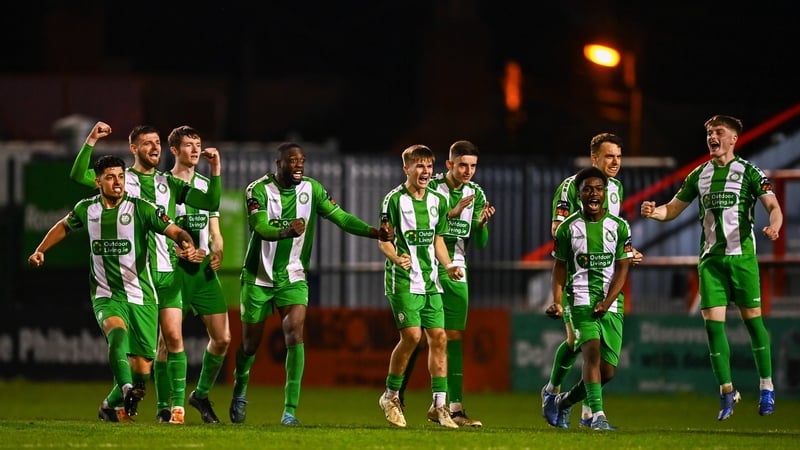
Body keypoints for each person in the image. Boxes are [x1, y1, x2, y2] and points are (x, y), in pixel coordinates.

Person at [231, 142, 394, 426]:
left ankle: (290, 411)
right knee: (249, 344)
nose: (299, 165)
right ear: (278, 163)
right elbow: (259, 227)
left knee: (294, 332)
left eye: (302, 160)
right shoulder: (257, 190)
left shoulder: (312, 189)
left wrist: (374, 232)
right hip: (258, 277)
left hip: (294, 276)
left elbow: (341, 218)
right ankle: (240, 388)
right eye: (292, 160)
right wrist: (285, 231)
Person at [70, 121, 221, 424]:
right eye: (148, 143)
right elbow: (77, 176)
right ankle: (127, 403)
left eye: (157, 143)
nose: (155, 148)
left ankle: (174, 410)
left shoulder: (168, 183)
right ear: (133, 148)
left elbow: (209, 202)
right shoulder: (122, 181)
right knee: (144, 362)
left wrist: (215, 170)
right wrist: (90, 140)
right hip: (138, 279)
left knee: (174, 339)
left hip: (167, 272)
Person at [28, 155, 197, 423]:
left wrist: (187, 243)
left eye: (120, 176)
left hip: (142, 296)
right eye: (110, 177)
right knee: (117, 334)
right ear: (98, 182)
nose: (117, 182)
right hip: (105, 294)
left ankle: (111, 404)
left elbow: (175, 230)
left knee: (142, 371)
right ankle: (128, 388)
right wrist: (40, 250)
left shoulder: (142, 208)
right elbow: (63, 226)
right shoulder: (87, 209)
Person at [640, 114, 782, 420]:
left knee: (753, 324)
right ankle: (727, 392)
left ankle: (767, 387)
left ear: (733, 139)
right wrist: (654, 212)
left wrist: (774, 226)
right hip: (711, 262)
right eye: (708, 133)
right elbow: (673, 209)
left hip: (742, 259)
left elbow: (773, 205)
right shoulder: (698, 175)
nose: (712, 137)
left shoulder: (749, 172)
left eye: (718, 132)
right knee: (712, 326)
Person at [542, 132, 642, 427]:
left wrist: (625, 252)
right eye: (609, 156)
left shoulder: (616, 188)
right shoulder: (571, 187)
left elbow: (613, 232)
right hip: (578, 281)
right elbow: (557, 230)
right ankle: (578, 405)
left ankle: (565, 401)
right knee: (581, 344)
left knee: (596, 358)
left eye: (619, 157)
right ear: (594, 157)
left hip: (606, 284)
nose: (615, 162)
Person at [396, 140, 495, 427]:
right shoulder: (432, 186)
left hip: (456, 267)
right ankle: (397, 395)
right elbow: (422, 224)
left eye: (473, 166)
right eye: (462, 164)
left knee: (451, 337)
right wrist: (451, 213)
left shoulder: (476, 193)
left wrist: (481, 224)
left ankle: (453, 408)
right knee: (415, 338)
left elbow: (480, 243)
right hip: (427, 265)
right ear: (449, 164)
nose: (468, 171)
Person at [377, 144, 465, 429]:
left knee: (439, 338)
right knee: (413, 338)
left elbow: (437, 239)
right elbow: (383, 239)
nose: (425, 171)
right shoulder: (393, 200)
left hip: (430, 282)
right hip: (402, 281)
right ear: (407, 169)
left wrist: (449, 264)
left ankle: (440, 407)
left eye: (429, 166)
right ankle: (390, 396)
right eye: (419, 166)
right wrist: (395, 256)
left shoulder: (438, 201)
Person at [167, 125, 231, 424]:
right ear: (174, 150)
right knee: (167, 343)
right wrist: (176, 249)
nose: (195, 149)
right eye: (188, 145)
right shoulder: (162, 185)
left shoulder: (207, 186)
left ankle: (201, 394)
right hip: (173, 269)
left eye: (198, 143)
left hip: (203, 271)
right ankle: (165, 407)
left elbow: (215, 233)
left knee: (223, 339)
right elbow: (156, 228)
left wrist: (217, 251)